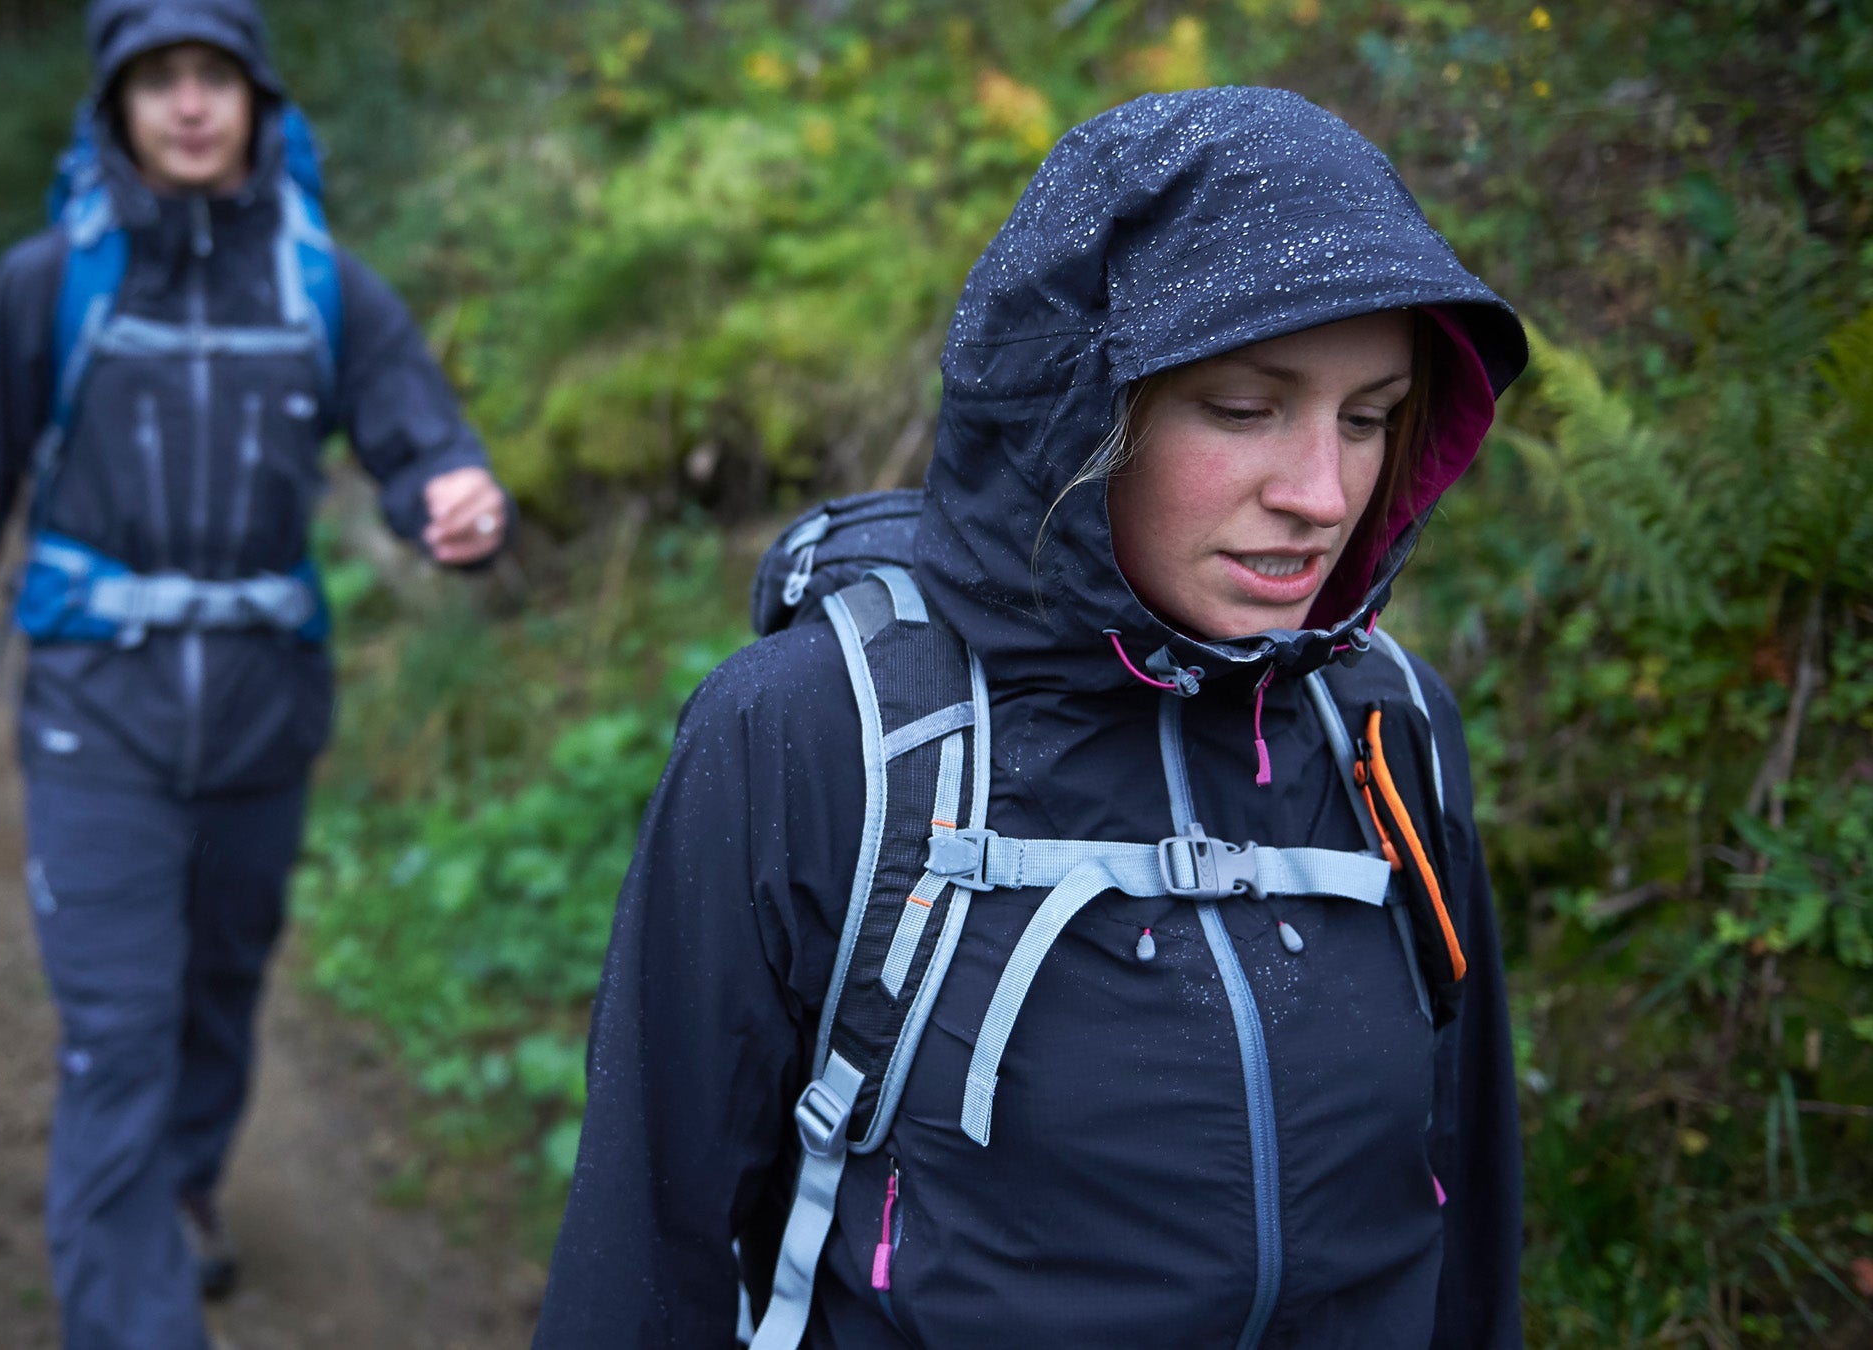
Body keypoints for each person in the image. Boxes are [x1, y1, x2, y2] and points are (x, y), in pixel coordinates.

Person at [533, 87, 1527, 1348]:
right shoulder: (812, 733)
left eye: (1370, 418)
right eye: (1243, 409)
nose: (1323, 494)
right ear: (1079, 406)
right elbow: (643, 1254)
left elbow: (1468, 1216)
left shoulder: (1387, 729)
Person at [0, 2, 509, 1345]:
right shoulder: (48, 283)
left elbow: (421, 439)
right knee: (117, 1031)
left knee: (219, 985)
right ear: (117, 109)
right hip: (98, 717)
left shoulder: (325, 285)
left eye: (216, 76)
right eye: (160, 81)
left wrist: (453, 497)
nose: (192, 104)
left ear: (260, 99)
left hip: (266, 714)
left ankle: (187, 1182)